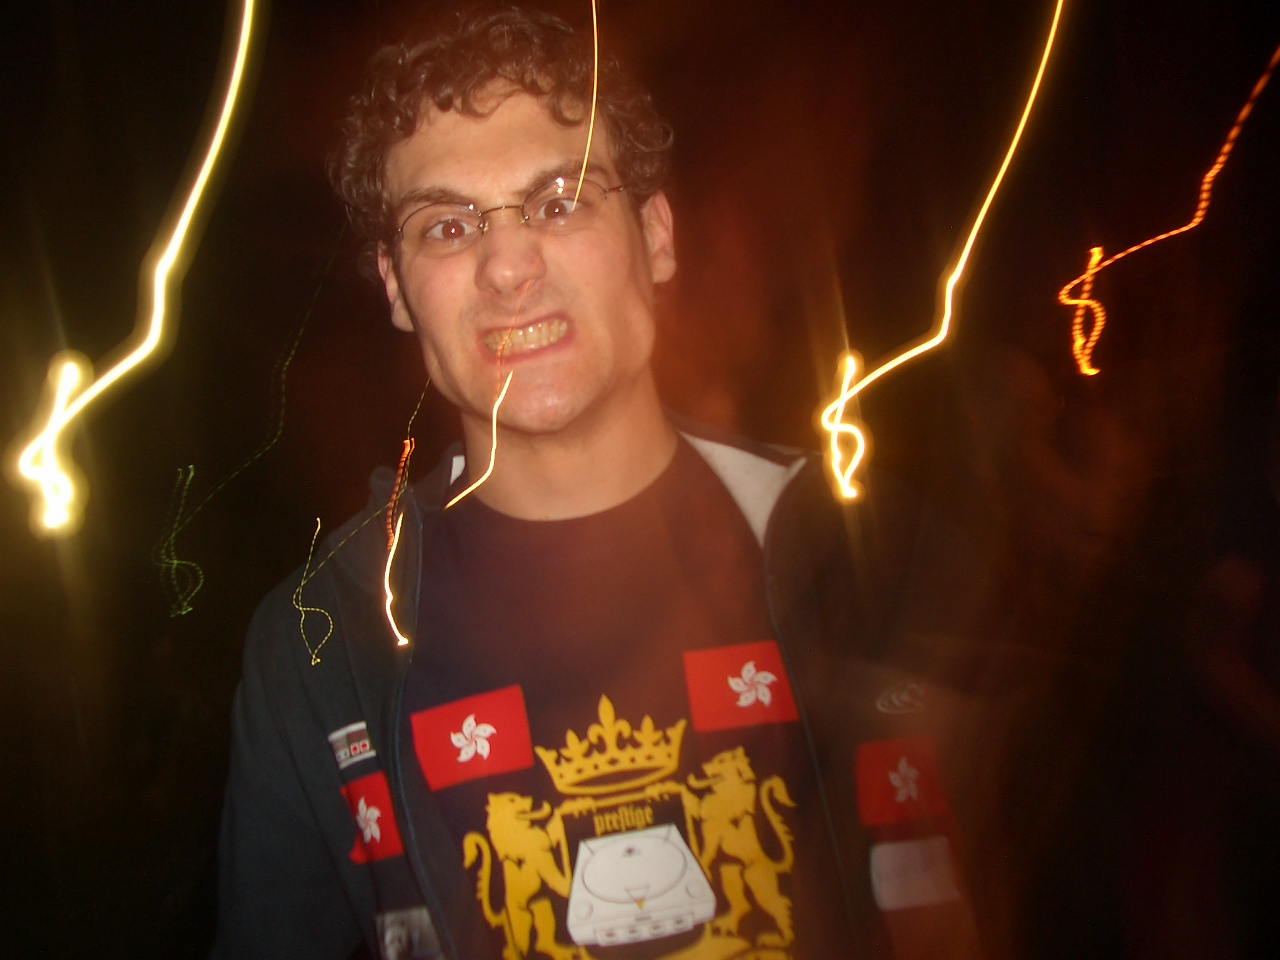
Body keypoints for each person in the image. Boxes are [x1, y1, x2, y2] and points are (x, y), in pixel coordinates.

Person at [212, 6, 978, 959]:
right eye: (447, 226)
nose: (507, 266)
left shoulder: (872, 554)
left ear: (655, 236)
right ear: (398, 288)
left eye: (559, 202)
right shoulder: (320, 649)